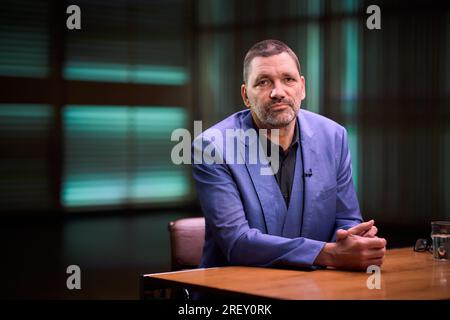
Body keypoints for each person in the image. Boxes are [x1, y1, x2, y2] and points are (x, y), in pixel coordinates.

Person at [192, 39, 386, 271]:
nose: (278, 92)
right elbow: (237, 243)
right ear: (245, 95)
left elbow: (347, 220)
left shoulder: (334, 137)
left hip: (316, 288)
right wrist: (329, 254)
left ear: (302, 87)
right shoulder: (212, 148)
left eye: (288, 79)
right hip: (237, 292)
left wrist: (353, 240)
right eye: (263, 82)